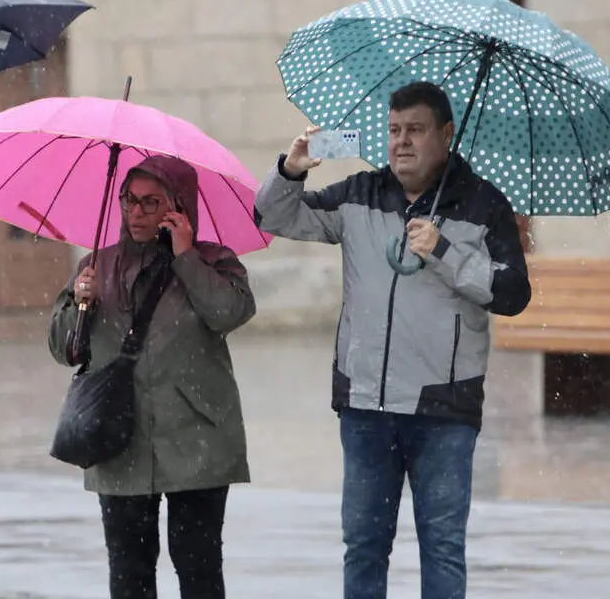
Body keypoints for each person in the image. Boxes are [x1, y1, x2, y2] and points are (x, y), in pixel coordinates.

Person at [254, 81, 531, 598]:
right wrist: (290, 170)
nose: (401, 142)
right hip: (366, 407)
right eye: (394, 130)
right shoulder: (360, 193)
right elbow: (272, 217)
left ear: (446, 135)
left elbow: (514, 293)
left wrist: (445, 251)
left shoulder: (484, 204)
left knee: (442, 548)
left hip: (444, 408)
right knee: (364, 546)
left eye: (415, 131)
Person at [46, 154, 256, 599]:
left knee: (198, 567)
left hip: (197, 437)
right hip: (118, 436)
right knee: (129, 572)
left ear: (178, 206)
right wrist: (79, 305)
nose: (136, 212)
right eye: (129, 200)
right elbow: (65, 350)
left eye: (150, 202)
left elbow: (229, 313)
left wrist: (186, 257)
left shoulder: (215, 261)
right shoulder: (96, 266)